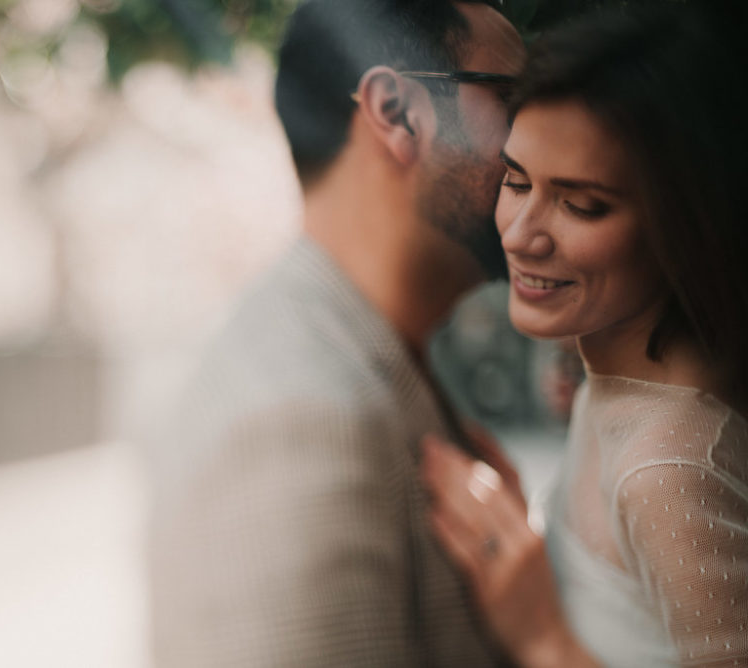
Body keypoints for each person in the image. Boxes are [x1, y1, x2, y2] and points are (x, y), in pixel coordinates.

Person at [148, 0, 524, 665]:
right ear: (399, 114)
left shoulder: (355, 351)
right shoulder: (303, 424)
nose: (536, 142)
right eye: (512, 100)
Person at [421, 5, 748, 667]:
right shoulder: (620, 383)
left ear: (687, 221)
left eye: (581, 204)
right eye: (516, 180)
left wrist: (544, 637)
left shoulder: (669, 473)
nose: (518, 233)